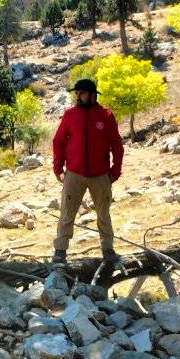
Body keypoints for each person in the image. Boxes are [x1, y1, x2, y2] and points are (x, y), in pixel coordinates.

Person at [51, 78, 124, 264]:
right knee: (67, 213)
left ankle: (108, 250)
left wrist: (115, 172)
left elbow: (117, 145)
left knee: (103, 214)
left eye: (81, 93)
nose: (78, 96)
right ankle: (60, 252)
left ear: (92, 95)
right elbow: (58, 142)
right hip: (74, 175)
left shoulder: (106, 115)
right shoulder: (70, 115)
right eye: (77, 93)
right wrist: (58, 169)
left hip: (101, 176)